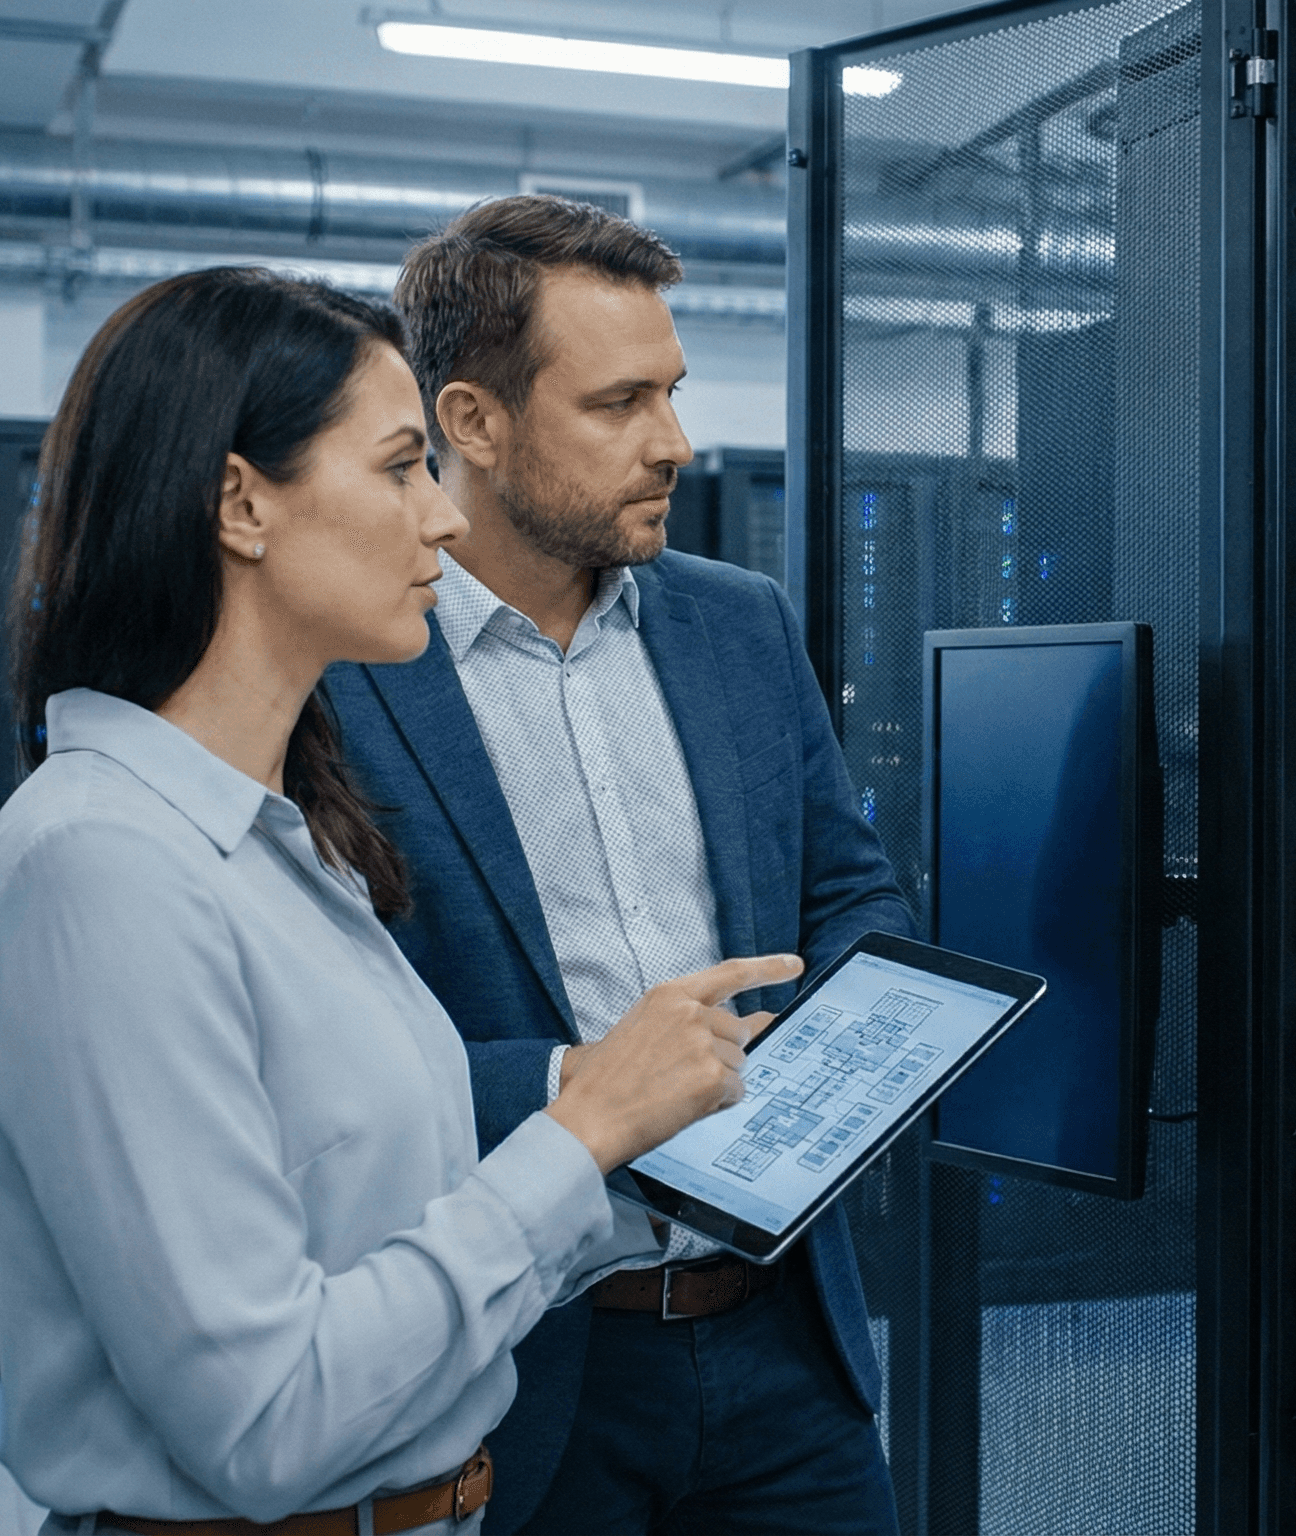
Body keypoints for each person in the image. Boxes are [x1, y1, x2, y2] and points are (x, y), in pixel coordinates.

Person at [0, 266, 804, 1536]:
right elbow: (267, 1420)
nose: (444, 523)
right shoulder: (102, 866)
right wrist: (583, 1127)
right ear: (242, 502)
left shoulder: (287, 841)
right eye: (401, 468)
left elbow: (389, 1231)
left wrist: (645, 1148)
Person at [326, 196, 912, 1536]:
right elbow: (336, 1052)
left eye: (675, 392)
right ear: (470, 423)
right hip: (534, 1361)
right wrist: (601, 1091)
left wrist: (824, 1063)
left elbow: (851, 892)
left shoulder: (737, 624)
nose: (675, 444)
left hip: (784, 1344)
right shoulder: (352, 676)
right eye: (620, 403)